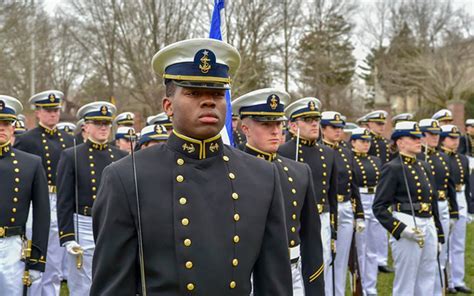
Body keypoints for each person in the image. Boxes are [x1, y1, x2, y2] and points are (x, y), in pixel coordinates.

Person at [91, 38, 292, 295]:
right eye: (194, 93)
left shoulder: (262, 176)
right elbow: (112, 287)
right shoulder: (126, 177)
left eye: (218, 94)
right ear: (168, 106)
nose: (209, 102)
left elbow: (274, 283)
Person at [234, 88, 325, 294]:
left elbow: (311, 237)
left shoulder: (300, 171)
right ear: (245, 128)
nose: (276, 131)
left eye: (278, 123)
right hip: (250, 275)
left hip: (293, 270)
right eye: (266, 124)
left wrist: (314, 284)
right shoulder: (232, 171)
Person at [56, 101, 127, 296]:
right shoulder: (72, 156)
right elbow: (64, 201)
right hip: (84, 223)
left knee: (113, 278)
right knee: (82, 283)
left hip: (113, 222)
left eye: (106, 123)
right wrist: (68, 236)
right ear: (85, 126)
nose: (103, 128)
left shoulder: (120, 156)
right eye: (98, 123)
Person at [373, 121, 444, 295]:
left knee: (428, 275)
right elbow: (379, 207)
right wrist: (401, 229)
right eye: (413, 138)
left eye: (418, 137)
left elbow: (433, 201)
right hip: (406, 221)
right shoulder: (392, 168)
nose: (418, 140)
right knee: (406, 279)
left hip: (428, 222)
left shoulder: (424, 166)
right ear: (400, 142)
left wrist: (439, 232)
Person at [14, 90, 74, 296]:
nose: (53, 114)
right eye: (48, 110)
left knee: (56, 258)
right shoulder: (26, 139)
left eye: (56, 110)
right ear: (38, 112)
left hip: (61, 200)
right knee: (34, 251)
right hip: (35, 202)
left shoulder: (68, 140)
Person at [279, 97, 337, 296]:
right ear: (293, 125)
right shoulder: (283, 152)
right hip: (293, 220)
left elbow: (332, 195)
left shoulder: (328, 154)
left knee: (322, 264)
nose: (314, 124)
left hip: (321, 218)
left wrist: (334, 229)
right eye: (308, 119)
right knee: (295, 268)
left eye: (316, 119)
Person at [0, 95, 50, 295]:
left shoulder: (31, 163)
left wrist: (38, 259)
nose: (1, 127)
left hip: (13, 246)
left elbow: (42, 214)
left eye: (6, 123)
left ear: (13, 127)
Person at [320, 111, 365, 296]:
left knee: (342, 258)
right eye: (333, 127)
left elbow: (353, 185)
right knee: (326, 258)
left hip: (346, 208)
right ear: (323, 129)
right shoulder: (320, 151)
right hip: (329, 209)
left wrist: (359, 214)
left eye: (340, 128)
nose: (338, 131)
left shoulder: (346, 153)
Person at [417, 119, 458, 295]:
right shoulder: (418, 158)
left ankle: (438, 289)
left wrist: (453, 210)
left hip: (442, 205)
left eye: (437, 135)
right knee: (426, 254)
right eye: (431, 134)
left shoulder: (441, 157)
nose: (435, 138)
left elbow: (450, 184)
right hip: (425, 210)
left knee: (441, 250)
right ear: (422, 135)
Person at [439, 124, 473, 294]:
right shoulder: (439, 157)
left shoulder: (463, 159)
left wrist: (469, 208)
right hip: (445, 198)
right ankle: (446, 280)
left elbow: (467, 185)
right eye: (451, 138)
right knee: (445, 243)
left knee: (459, 243)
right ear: (443, 139)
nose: (455, 142)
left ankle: (458, 279)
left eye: (457, 138)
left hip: (460, 198)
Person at [350, 127, 382, 296]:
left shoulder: (376, 160)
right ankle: (359, 285)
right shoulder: (350, 159)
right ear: (353, 142)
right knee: (360, 247)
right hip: (360, 198)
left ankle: (371, 287)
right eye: (362, 141)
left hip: (374, 198)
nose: (366, 144)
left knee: (373, 248)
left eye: (368, 141)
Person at [364, 110, 393, 273]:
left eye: (383, 124)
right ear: (369, 124)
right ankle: (371, 258)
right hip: (368, 185)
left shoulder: (384, 142)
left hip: (381, 185)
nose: (381, 127)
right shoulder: (366, 140)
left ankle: (381, 259)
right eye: (378, 124)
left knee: (381, 225)